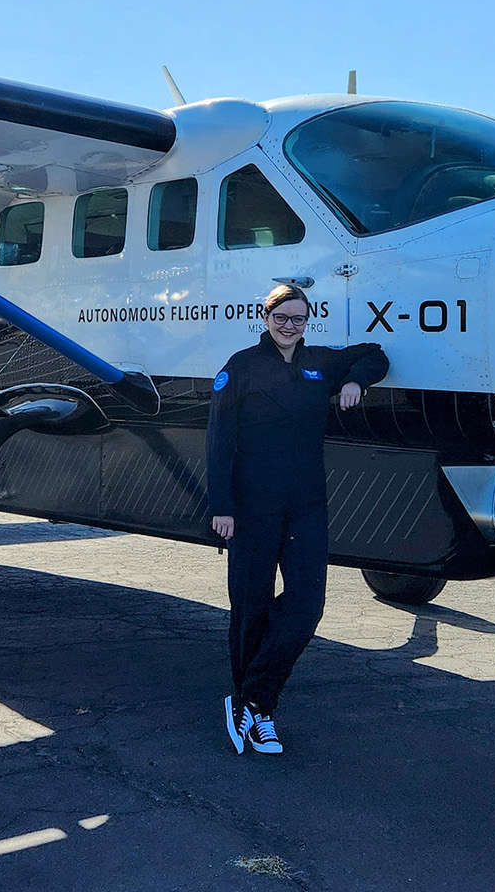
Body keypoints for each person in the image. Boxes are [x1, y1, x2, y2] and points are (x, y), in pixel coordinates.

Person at [206, 283, 389, 755]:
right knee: (250, 605)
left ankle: (248, 700)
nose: (290, 326)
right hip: (251, 505)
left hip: (306, 503)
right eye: (282, 317)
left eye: (299, 319)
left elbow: (373, 353)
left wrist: (355, 381)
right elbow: (220, 441)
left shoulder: (320, 363)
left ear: (308, 321)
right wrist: (221, 507)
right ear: (265, 317)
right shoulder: (241, 366)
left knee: (308, 603)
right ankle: (261, 712)